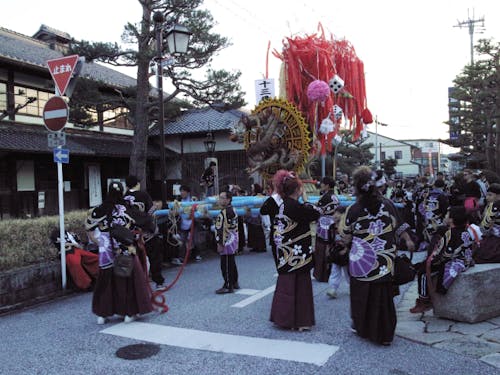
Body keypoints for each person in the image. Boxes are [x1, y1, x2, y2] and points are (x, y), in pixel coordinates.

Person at [339, 166, 415, 345]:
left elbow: (346, 233)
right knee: (383, 296)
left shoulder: (354, 209)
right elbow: (400, 225)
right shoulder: (387, 204)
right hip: (385, 258)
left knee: (362, 295)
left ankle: (364, 328)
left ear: (357, 187)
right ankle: (385, 334)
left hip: (362, 261)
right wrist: (408, 240)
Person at [85, 181, 153, 324]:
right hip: (125, 249)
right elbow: (147, 223)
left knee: (105, 280)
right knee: (128, 279)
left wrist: (100, 243)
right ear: (122, 192)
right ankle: (130, 312)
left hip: (106, 251)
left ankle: (103, 314)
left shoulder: (98, 210)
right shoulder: (127, 209)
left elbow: (89, 229)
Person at [270, 170, 320, 331]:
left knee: (286, 284)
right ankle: (300, 320)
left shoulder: (283, 205)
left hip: (285, 251)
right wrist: (306, 201)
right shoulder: (296, 207)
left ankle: (284, 318)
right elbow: (315, 213)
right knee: (301, 286)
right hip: (297, 252)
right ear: (298, 190)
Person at [410, 206, 477, 313]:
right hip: (465, 260)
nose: (445, 216)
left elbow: (446, 255)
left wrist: (431, 262)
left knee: (422, 272)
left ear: (451, 219)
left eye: (447, 215)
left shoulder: (450, 234)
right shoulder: (466, 230)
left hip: (454, 262)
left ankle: (424, 300)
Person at [124, 175, 165, 289]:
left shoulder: (124, 197)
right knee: (154, 256)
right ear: (137, 183)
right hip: (147, 231)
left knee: (135, 257)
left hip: (131, 232)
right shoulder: (143, 194)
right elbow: (151, 211)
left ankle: (136, 283)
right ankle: (158, 281)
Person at [313, 176, 339, 282]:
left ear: (327, 185)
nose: (321, 185)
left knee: (322, 249)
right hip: (332, 225)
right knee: (330, 248)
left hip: (324, 226)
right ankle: (329, 273)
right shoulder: (334, 196)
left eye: (323, 183)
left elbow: (318, 210)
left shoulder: (325, 198)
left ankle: (322, 274)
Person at [214, 190, 240, 294]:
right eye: (219, 197)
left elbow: (221, 229)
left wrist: (220, 243)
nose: (220, 200)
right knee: (231, 262)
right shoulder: (232, 210)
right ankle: (234, 282)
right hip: (232, 239)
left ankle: (228, 285)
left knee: (226, 263)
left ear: (228, 200)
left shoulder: (226, 212)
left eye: (222, 198)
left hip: (227, 240)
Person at [171, 185, 202, 265]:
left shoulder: (193, 199)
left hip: (193, 222)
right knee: (182, 241)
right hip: (183, 223)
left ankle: (197, 254)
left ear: (188, 192)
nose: (182, 193)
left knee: (196, 240)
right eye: (181, 191)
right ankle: (182, 257)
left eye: (183, 191)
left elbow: (199, 208)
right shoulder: (178, 201)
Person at [325, 206, 349, 298]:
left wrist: (346, 249)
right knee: (334, 271)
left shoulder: (346, 227)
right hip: (335, 252)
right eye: (334, 213)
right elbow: (329, 241)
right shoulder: (331, 227)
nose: (335, 216)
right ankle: (333, 289)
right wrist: (328, 251)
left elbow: (351, 239)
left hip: (345, 252)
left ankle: (352, 288)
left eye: (337, 213)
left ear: (343, 215)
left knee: (348, 272)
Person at [475, 183, 500, 263]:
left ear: (498, 195)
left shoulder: (494, 206)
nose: (487, 197)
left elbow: (486, 226)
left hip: (495, 239)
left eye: (490, 195)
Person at [245, 183, 267, 252]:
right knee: (252, 231)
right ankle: (254, 246)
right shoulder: (252, 195)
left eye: (252, 187)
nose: (251, 189)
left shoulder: (259, 196)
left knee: (257, 231)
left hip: (256, 216)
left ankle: (260, 246)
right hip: (251, 216)